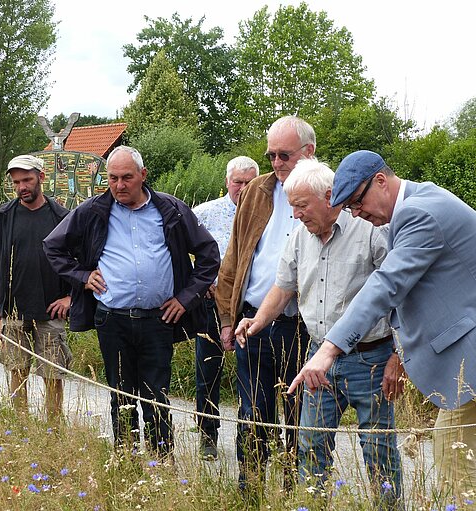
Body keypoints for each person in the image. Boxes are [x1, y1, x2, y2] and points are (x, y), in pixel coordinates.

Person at [289, 150, 476, 505]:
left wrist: (328, 349)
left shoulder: (420, 212)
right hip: (467, 351)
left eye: (356, 202)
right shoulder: (408, 208)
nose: (356, 214)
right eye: (349, 207)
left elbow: (387, 285)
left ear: (380, 181)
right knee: (450, 457)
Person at [235, 158, 402, 505]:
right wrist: (258, 321)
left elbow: (402, 294)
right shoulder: (298, 238)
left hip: (371, 360)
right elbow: (283, 289)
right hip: (317, 362)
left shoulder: (372, 230)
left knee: (378, 450)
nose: (295, 214)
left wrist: (399, 356)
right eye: (292, 206)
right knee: (310, 444)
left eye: (300, 205)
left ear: (329, 197)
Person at [43, 146, 219, 459]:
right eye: (113, 178)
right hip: (113, 319)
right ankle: (125, 458)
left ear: (143, 176)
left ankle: (162, 461)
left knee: (156, 394)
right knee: (121, 394)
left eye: (127, 177)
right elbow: (53, 246)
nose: (120, 185)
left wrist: (186, 298)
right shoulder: (93, 210)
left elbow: (208, 254)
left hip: (159, 319)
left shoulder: (171, 209)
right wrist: (82, 276)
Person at [215, 115, 314, 492]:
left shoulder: (329, 191)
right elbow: (234, 259)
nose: (276, 163)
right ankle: (250, 488)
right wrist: (227, 317)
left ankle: (296, 491)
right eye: (271, 155)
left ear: (309, 152)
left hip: (303, 326)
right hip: (252, 322)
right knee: (253, 412)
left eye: (284, 155)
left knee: (302, 415)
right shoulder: (256, 190)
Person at [0, 154, 72, 422]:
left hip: (51, 311)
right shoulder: (4, 216)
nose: (22, 187)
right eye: (16, 182)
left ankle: (53, 429)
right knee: (16, 370)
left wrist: (70, 298)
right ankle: (20, 426)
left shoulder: (62, 216)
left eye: (27, 180)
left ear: (41, 178)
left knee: (52, 375)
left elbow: (79, 263)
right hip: (13, 311)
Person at [192, 156, 259, 460]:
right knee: (207, 372)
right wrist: (198, 281)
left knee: (254, 376)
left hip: (252, 307)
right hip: (211, 303)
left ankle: (255, 437)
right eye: (238, 182)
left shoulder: (265, 212)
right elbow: (177, 248)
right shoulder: (204, 213)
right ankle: (208, 435)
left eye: (249, 182)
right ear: (227, 182)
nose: (243, 188)